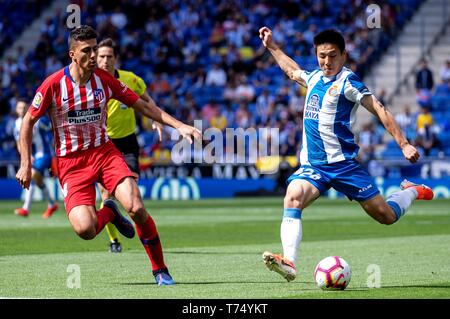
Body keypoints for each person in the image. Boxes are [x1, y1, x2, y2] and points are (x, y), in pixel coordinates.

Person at [15, 25, 201, 286]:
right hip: (71, 164)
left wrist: (179, 125)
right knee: (85, 230)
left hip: (104, 153)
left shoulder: (105, 80)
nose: (94, 56)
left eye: (96, 49)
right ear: (73, 54)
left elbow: (143, 106)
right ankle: (111, 212)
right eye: (87, 51)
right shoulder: (53, 85)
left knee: (136, 206)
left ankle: (160, 270)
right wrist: (26, 164)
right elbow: (27, 123)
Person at [258, 27, 434, 282]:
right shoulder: (314, 78)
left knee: (385, 216)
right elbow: (290, 70)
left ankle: (412, 190)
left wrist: (404, 144)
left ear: (343, 55)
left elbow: (380, 109)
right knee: (293, 196)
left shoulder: (349, 83)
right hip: (314, 166)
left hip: (344, 166)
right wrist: (272, 46)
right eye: (321, 56)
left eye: (332, 56)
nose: (327, 62)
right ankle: (290, 262)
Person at [96, 37, 163, 253]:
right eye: (101, 57)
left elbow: (147, 100)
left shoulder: (130, 79)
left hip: (127, 143)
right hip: (103, 144)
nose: (105, 60)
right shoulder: (90, 83)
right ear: (95, 59)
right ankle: (115, 241)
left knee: (132, 195)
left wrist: (155, 119)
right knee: (106, 196)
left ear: (116, 59)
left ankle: (144, 235)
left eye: (109, 56)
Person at [13, 99, 59, 218]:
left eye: (24, 107)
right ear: (16, 110)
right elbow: (19, 143)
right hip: (31, 156)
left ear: (28, 107)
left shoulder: (38, 120)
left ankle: (25, 209)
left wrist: (55, 144)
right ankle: (52, 204)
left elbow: (53, 128)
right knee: (38, 180)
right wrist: (26, 156)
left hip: (44, 153)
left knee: (32, 175)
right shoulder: (17, 124)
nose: (22, 109)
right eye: (19, 108)